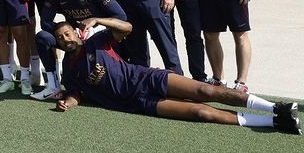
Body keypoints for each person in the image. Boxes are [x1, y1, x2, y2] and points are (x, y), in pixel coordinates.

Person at [54, 17, 300, 134]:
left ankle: (275, 107)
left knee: (207, 91)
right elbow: (77, 93)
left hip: (148, 78)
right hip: (139, 103)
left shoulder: (97, 41)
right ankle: (276, 122)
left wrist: (97, 19)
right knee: (201, 112)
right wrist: (68, 102)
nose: (65, 39)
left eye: (67, 34)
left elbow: (127, 27)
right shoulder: (70, 70)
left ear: (76, 33)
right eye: (60, 38)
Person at [32, 0, 126, 101]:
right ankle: (53, 86)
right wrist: (68, 31)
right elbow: (45, 22)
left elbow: (121, 17)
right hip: (74, 39)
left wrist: (96, 27)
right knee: (43, 37)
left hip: (98, 37)